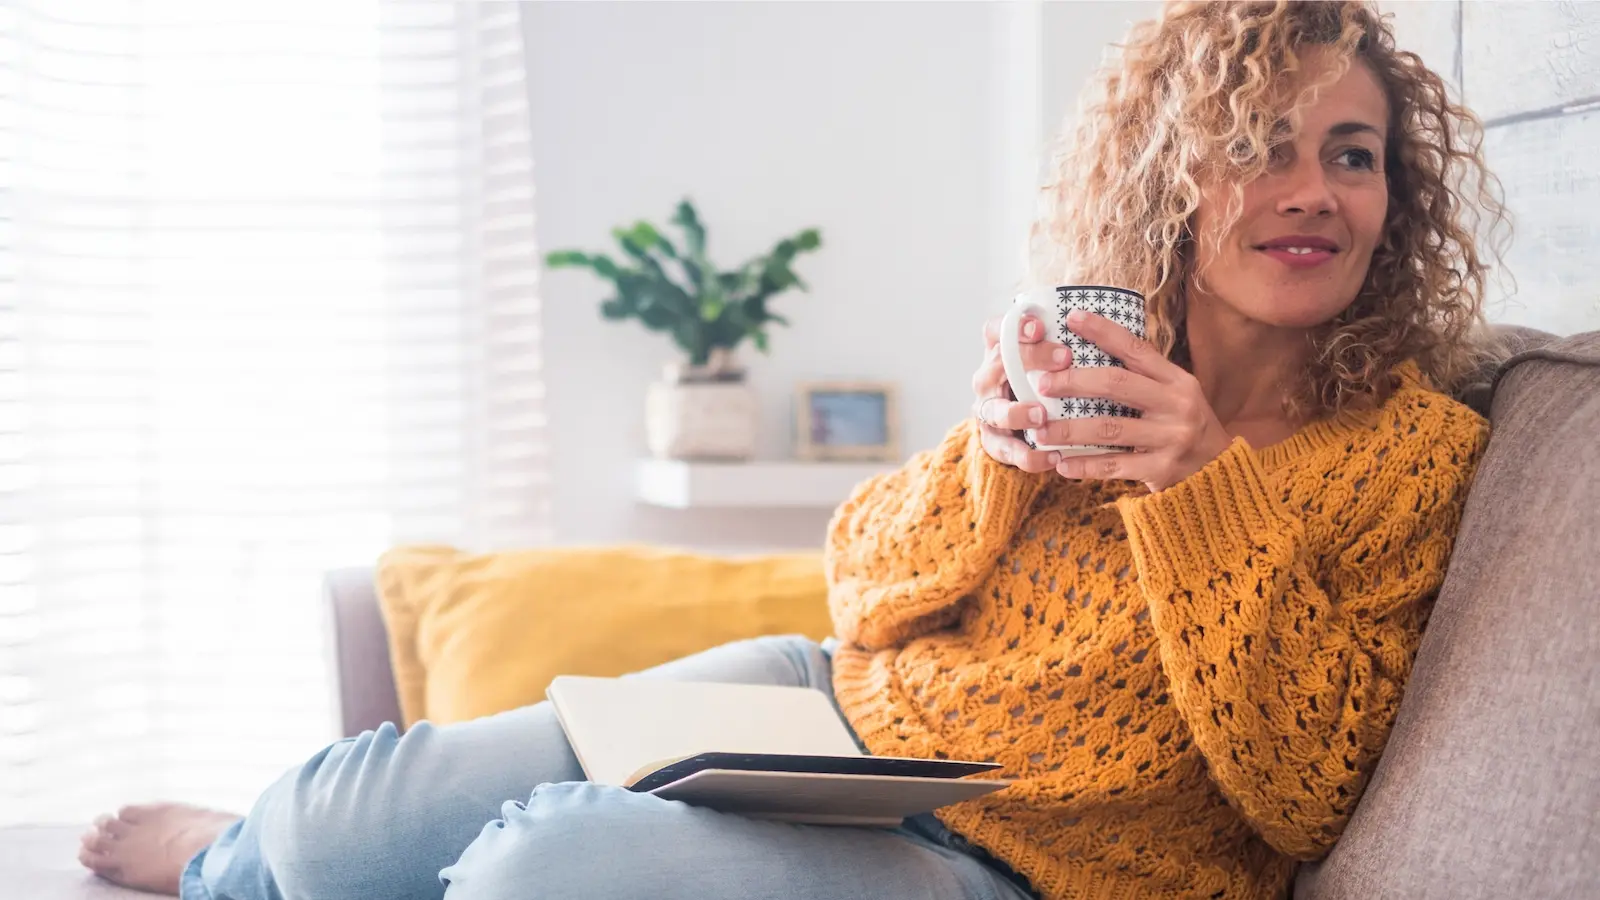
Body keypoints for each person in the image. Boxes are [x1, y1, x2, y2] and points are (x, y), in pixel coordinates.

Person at [79, 2, 1506, 898]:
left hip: (1022, 864)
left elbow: (1310, 789)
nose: (1311, 191)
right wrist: (991, 457)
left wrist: (1199, 491)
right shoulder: (1096, 358)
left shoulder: (1415, 454)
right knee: (337, 814)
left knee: (536, 867)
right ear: (1175, 177)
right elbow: (863, 591)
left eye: (1353, 152)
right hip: (823, 711)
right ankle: (234, 857)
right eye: (1262, 143)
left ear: (1398, 197)